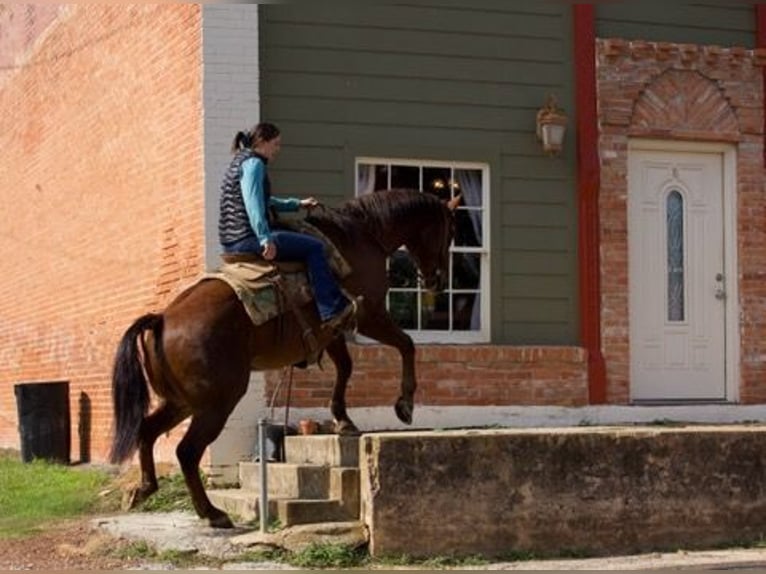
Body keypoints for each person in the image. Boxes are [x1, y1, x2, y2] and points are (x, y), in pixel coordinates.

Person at [218, 122, 358, 333]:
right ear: (262, 142)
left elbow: (263, 200)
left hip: (232, 239)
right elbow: (253, 205)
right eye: (276, 144)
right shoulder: (254, 164)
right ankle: (331, 310)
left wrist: (297, 204)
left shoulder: (240, 161)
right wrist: (265, 239)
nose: (278, 150)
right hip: (248, 238)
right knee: (314, 247)